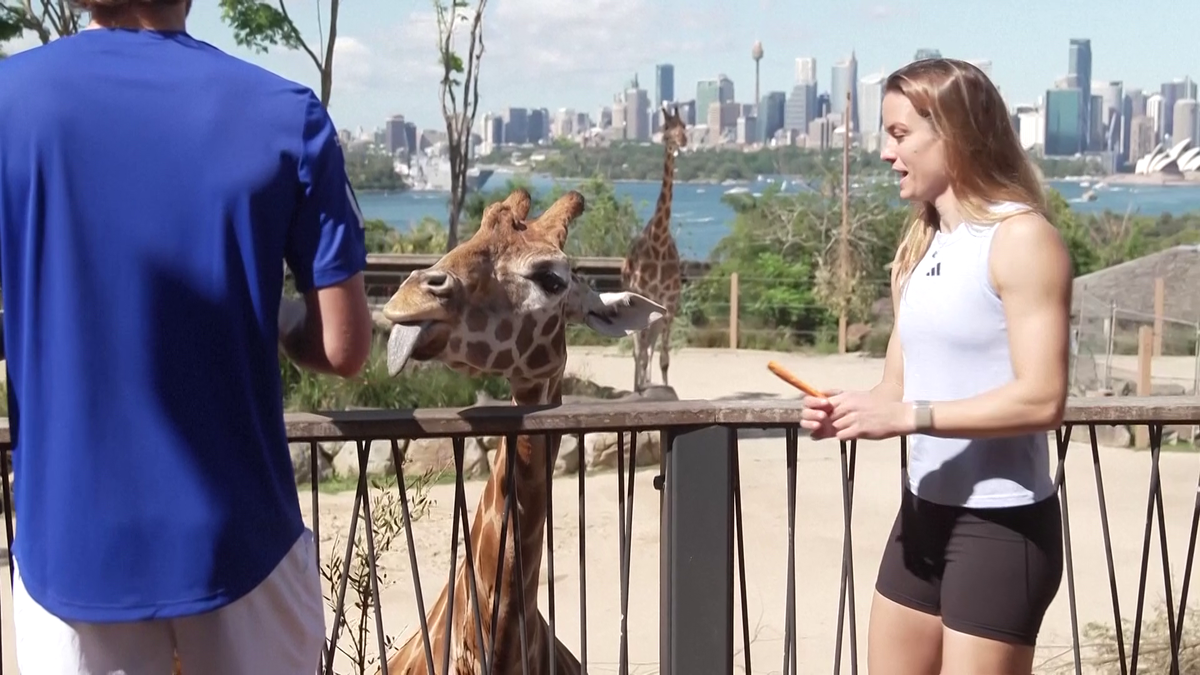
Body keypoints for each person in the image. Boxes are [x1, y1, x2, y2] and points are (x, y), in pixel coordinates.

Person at [0, 1, 374, 672]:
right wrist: (277, 314)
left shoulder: (9, 100)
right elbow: (344, 346)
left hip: (71, 546)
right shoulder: (287, 113)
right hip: (242, 541)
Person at [800, 58, 1072, 675]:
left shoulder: (1021, 240)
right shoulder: (918, 251)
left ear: (953, 134)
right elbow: (896, 387)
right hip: (921, 515)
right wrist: (847, 410)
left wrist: (906, 416)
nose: (884, 153)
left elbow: (1042, 400)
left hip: (1000, 527)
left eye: (899, 135)